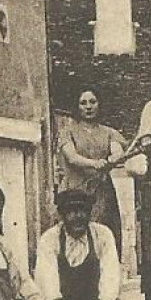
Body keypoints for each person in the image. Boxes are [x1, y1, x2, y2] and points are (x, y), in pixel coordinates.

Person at [34, 187, 122, 300]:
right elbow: (47, 279)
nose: (78, 217)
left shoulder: (102, 234)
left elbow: (111, 274)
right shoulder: (50, 238)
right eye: (71, 212)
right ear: (62, 215)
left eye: (83, 211)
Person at [56, 86, 127, 254]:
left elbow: (118, 151)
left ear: (99, 104)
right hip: (75, 191)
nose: (88, 107)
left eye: (93, 102)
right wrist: (95, 163)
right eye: (83, 103)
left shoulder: (109, 132)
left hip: (101, 193)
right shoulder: (68, 132)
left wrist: (113, 158)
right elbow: (72, 157)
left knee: (103, 234)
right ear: (77, 106)